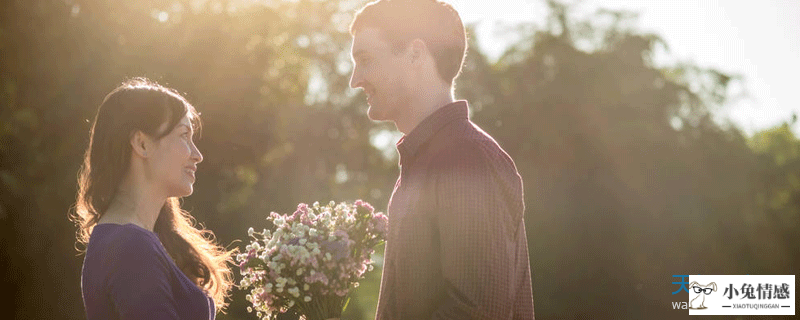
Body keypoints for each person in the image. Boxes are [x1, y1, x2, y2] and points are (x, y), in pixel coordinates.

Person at [348, 0, 535, 319]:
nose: (355, 79)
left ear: (415, 55)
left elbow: (478, 312)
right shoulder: (424, 162)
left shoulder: (466, 158)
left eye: (365, 60)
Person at [73, 78, 234, 319]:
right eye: (183, 136)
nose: (197, 155)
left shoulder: (129, 240)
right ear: (142, 144)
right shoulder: (131, 246)